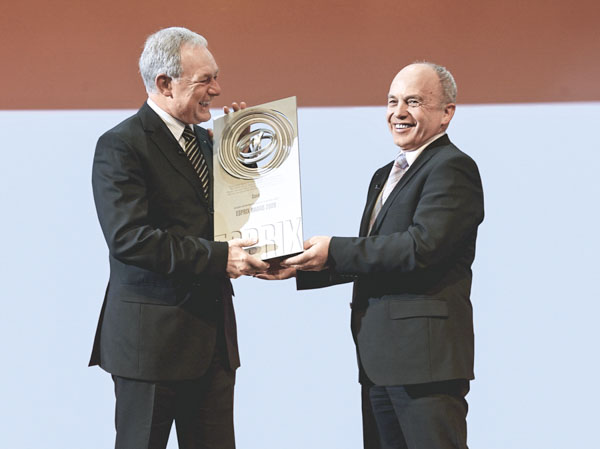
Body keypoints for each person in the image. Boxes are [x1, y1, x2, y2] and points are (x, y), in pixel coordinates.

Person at [264, 62, 484, 449]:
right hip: (379, 361)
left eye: (413, 102)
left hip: (424, 364)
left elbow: (421, 248)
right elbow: (373, 252)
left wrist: (334, 248)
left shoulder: (453, 168)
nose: (398, 112)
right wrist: (297, 265)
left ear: (447, 112)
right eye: (392, 101)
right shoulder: (385, 173)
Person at [89, 27, 268, 449]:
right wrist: (218, 259)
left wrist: (243, 162)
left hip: (212, 343)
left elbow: (231, 225)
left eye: (216, 77)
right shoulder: (121, 145)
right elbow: (131, 239)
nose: (218, 89)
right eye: (205, 80)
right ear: (165, 84)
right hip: (150, 347)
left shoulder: (209, 144)